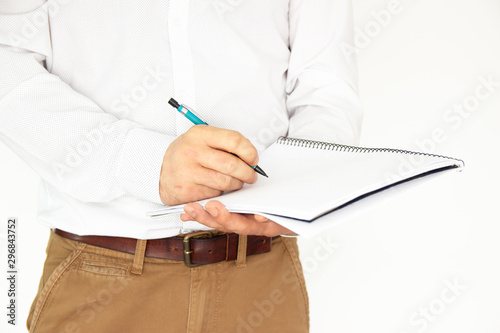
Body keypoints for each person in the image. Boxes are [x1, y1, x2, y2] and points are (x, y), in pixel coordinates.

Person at [0, 0, 362, 332]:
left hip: (264, 273)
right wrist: (142, 162)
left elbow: (326, 86)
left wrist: (297, 190)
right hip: (103, 278)